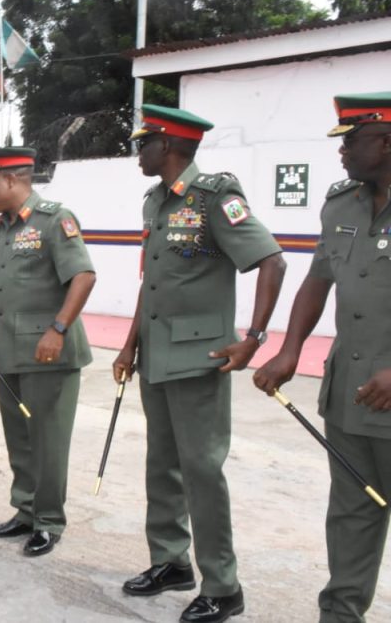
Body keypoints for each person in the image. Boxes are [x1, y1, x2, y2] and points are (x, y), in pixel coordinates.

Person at [112, 105, 286, 623]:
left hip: (200, 356)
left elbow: (271, 260)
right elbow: (155, 282)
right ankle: (171, 562)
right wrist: (128, 344)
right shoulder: (155, 203)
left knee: (202, 472)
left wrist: (253, 339)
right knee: (161, 465)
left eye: (144, 143)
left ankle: (223, 585)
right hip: (156, 356)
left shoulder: (216, 198)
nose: (138, 152)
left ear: (166, 146)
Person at [253, 92, 391, 623]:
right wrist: (289, 349)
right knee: (353, 510)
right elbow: (317, 280)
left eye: (351, 141)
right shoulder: (341, 203)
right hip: (350, 390)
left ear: (386, 141)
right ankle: (340, 613)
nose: (342, 152)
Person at [0, 147, 96, 558]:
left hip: (50, 353)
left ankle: (48, 521)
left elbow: (83, 276)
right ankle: (26, 511)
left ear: (13, 179)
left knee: (48, 439)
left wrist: (59, 328)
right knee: (21, 437)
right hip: (9, 350)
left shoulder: (54, 220)